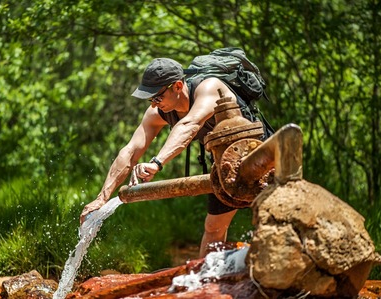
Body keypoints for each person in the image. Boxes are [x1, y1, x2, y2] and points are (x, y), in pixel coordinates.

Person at [80, 57, 257, 258]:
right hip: (225, 164)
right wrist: (101, 198)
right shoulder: (159, 112)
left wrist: (157, 162)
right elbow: (130, 151)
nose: (154, 104)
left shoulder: (209, 88)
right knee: (213, 227)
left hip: (259, 153)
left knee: (273, 213)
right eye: (150, 100)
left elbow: (189, 125)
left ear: (178, 86)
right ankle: (206, 283)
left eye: (157, 97)